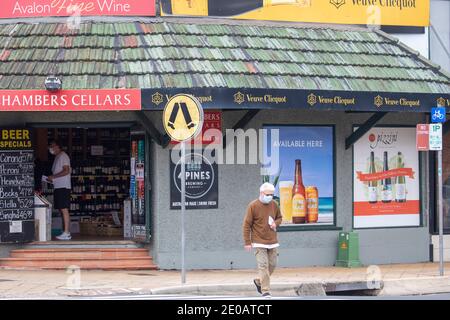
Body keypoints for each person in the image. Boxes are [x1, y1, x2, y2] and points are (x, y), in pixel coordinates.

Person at [242, 182, 282, 298]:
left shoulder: (274, 204)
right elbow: (246, 225)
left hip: (273, 241)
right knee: (263, 265)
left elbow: (280, 217)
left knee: (273, 264)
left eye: (272, 194)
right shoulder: (253, 206)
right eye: (268, 194)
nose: (270, 196)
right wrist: (247, 242)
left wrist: (276, 223)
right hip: (259, 241)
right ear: (261, 193)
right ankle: (265, 291)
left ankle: (259, 281)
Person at [47, 140, 72, 240]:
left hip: (63, 186)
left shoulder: (63, 156)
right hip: (58, 186)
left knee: (64, 209)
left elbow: (66, 171)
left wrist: (53, 176)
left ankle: (67, 232)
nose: (51, 148)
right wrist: (52, 179)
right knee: (62, 209)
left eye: (52, 146)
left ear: (58, 146)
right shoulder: (57, 157)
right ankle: (65, 231)